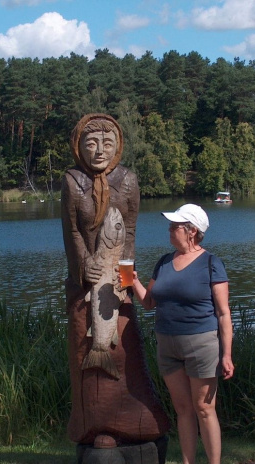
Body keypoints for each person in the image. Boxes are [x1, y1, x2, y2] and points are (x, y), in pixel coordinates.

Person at [61, 113, 170, 447]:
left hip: (117, 286)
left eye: (107, 144)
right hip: (84, 286)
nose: (99, 151)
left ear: (117, 146)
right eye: (91, 143)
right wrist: (83, 265)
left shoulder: (128, 180)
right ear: (79, 146)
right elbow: (72, 232)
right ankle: (95, 427)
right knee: (88, 355)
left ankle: (136, 421)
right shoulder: (72, 181)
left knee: (125, 350)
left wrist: (126, 278)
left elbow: (131, 233)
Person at [130, 203, 234, 464]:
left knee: (204, 408)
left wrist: (227, 355)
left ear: (191, 231)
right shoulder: (164, 262)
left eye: (174, 226)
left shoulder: (211, 264)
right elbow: (149, 303)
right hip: (167, 345)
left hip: (201, 344)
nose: (169, 229)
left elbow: (223, 314)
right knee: (183, 409)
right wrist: (132, 281)